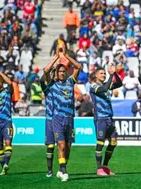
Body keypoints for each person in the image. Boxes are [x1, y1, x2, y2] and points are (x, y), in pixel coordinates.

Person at [49, 52, 82, 182]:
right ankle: (64, 171)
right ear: (57, 73)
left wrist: (66, 57)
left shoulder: (70, 81)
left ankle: (61, 169)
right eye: (60, 71)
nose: (62, 73)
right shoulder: (52, 84)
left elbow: (78, 67)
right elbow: (46, 72)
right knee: (61, 145)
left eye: (64, 71)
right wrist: (56, 59)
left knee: (68, 147)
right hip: (57, 118)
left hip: (70, 118)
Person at [90, 63, 122, 176]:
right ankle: (99, 169)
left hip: (109, 118)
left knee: (113, 142)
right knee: (100, 142)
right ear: (96, 75)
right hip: (100, 119)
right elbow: (103, 88)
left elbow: (119, 83)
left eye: (104, 73)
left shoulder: (107, 84)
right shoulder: (93, 86)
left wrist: (115, 74)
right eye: (101, 73)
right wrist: (110, 75)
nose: (103, 75)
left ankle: (105, 166)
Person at [40, 54, 60, 177]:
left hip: (62, 119)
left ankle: (62, 169)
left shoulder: (63, 85)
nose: (54, 75)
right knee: (51, 146)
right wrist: (54, 62)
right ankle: (50, 170)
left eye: (55, 73)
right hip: (50, 120)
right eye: (53, 73)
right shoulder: (47, 88)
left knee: (64, 145)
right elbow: (43, 78)